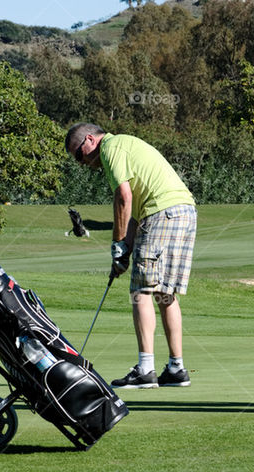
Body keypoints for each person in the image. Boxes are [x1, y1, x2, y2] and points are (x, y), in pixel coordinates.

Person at [65, 123, 197, 389]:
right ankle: (176, 368)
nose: (81, 163)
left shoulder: (110, 148)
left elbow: (123, 198)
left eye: (79, 154)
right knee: (165, 293)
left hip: (162, 213)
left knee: (141, 291)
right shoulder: (126, 145)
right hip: (182, 211)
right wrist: (124, 251)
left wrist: (116, 244)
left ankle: (145, 370)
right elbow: (135, 213)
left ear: (90, 140)